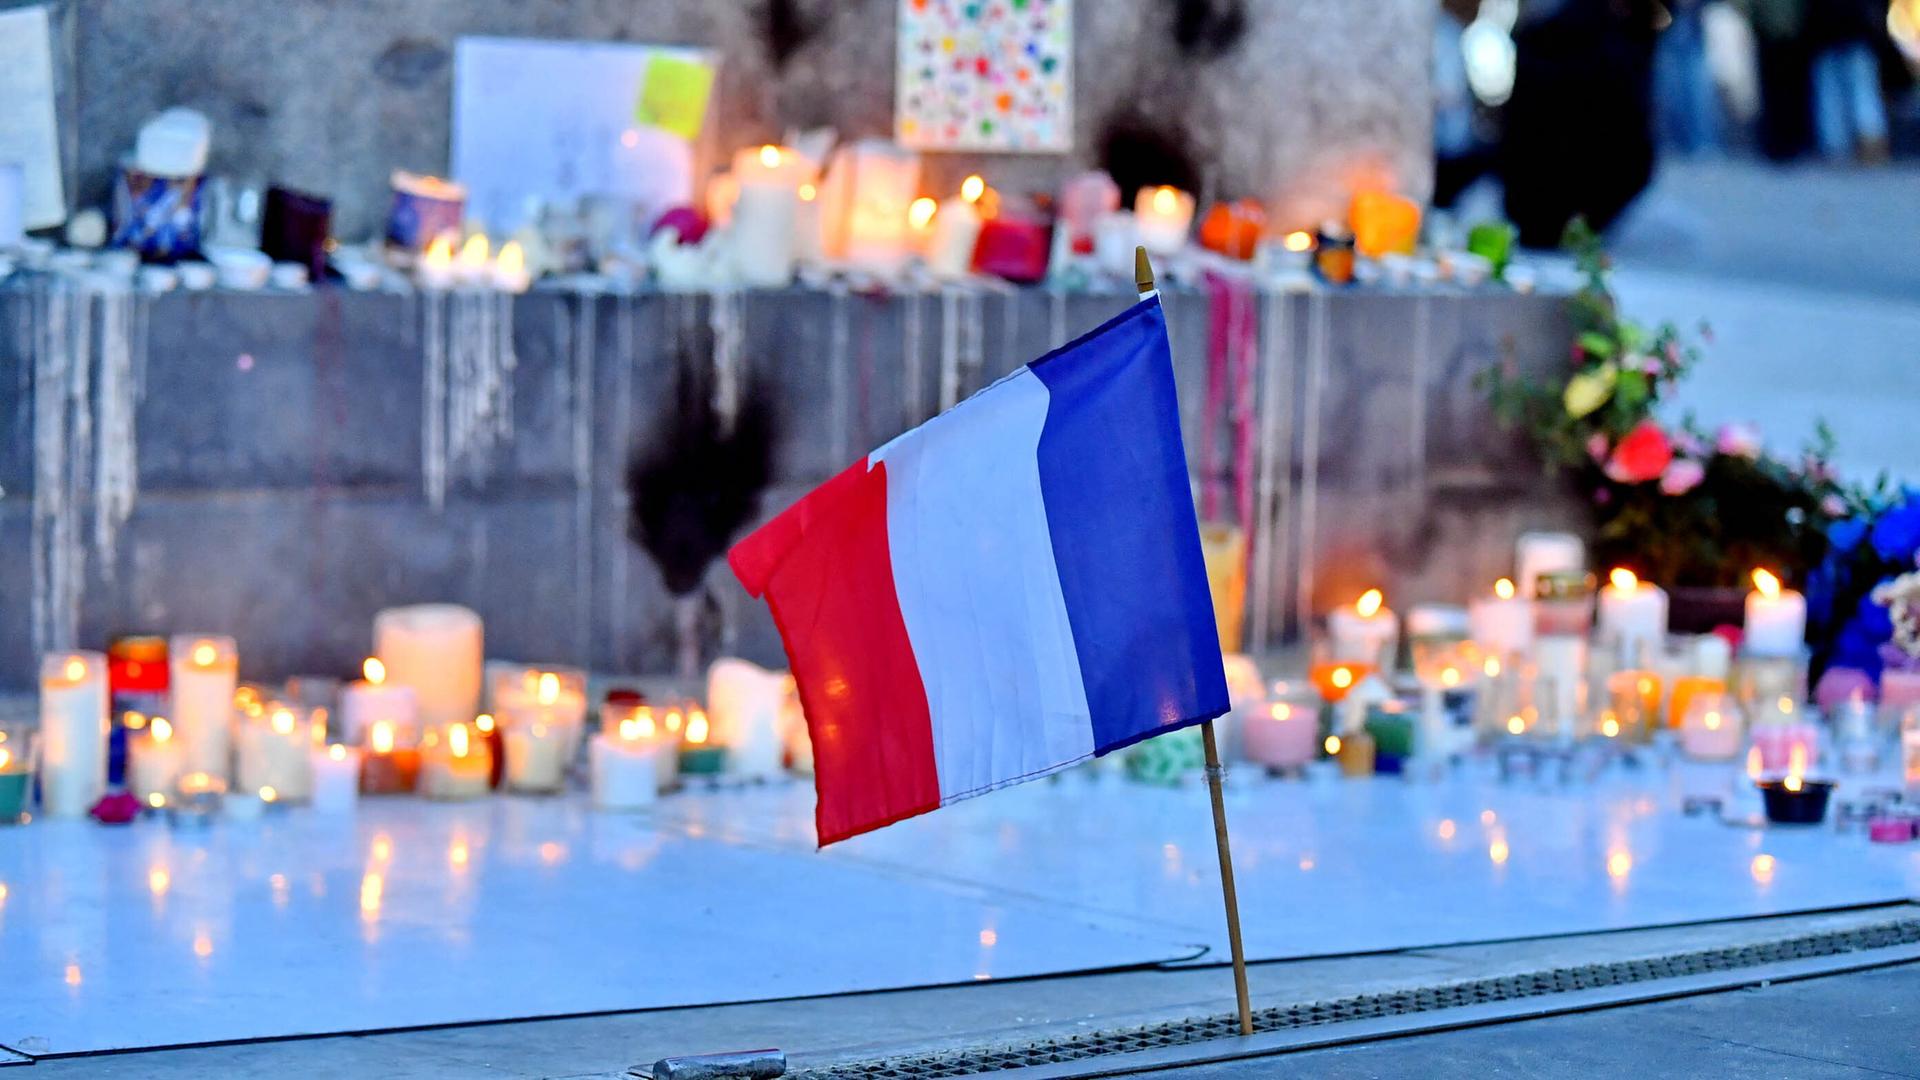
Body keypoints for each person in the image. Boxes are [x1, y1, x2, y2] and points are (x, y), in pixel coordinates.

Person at [1807, 0, 1891, 162]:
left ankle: (1837, 146)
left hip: (1827, 33)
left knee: (1831, 92)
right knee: (1862, 89)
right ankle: (1870, 142)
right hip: (1858, 31)